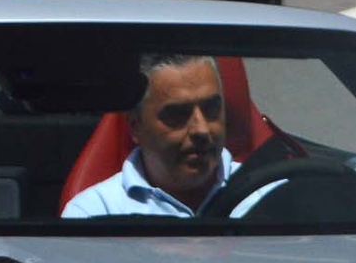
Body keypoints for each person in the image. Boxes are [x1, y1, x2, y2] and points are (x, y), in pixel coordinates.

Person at [62, 53, 238, 218]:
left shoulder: (261, 195)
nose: (201, 129)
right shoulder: (95, 213)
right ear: (136, 126)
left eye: (211, 109)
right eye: (178, 114)